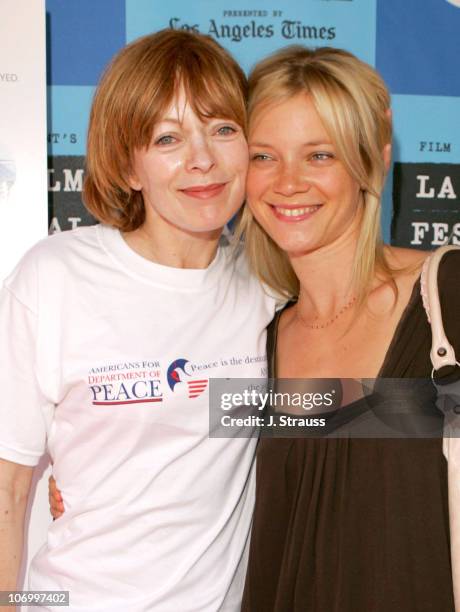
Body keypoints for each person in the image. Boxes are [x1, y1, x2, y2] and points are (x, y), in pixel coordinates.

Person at [0, 30, 276, 611]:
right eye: (167, 138)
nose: (202, 158)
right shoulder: (54, 278)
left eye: (223, 128)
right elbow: (10, 484)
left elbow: (332, 416)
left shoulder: (270, 286)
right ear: (129, 167)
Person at [238, 46, 460, 611]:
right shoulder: (260, 338)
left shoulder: (447, 296)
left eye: (319, 155)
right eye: (264, 156)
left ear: (374, 161)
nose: (287, 183)